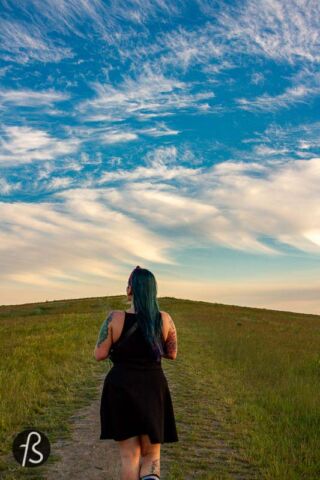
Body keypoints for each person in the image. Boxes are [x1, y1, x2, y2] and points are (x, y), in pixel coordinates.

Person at [94, 266, 179, 480]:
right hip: (153, 387)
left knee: (130, 457)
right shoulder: (164, 319)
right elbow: (172, 353)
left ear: (130, 289)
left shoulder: (114, 318)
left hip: (121, 386)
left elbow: (99, 354)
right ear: (153, 290)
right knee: (151, 456)